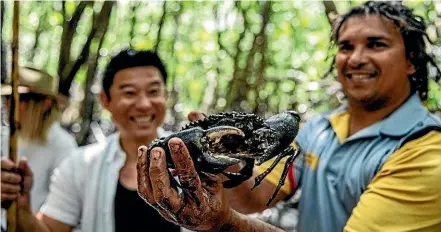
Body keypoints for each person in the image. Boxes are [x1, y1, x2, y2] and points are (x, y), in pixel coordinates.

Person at [136, 1, 441, 232]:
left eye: (376, 44)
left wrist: (224, 223)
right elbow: (256, 196)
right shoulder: (321, 129)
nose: (357, 58)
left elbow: (239, 212)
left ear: (411, 60)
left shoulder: (427, 151)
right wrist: (218, 164)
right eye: (346, 46)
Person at [0, 49, 182, 231]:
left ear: (165, 96)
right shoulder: (80, 166)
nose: (143, 104)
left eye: (153, 91)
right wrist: (21, 206)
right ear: (105, 100)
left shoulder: (192, 158)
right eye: (129, 93)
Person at [1, 67, 78, 213]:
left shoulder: (63, 146)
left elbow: (64, 211)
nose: (8, 105)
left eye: (19, 99)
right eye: (7, 98)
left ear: (45, 104)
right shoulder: (8, 137)